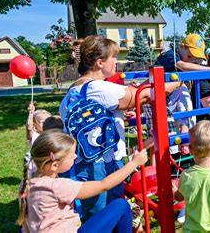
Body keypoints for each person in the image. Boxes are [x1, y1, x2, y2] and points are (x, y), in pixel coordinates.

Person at [59, 35, 178, 221]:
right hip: (102, 165)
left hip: (82, 163)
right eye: (113, 57)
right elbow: (142, 96)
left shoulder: (74, 89)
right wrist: (177, 82)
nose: (116, 61)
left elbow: (96, 113)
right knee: (103, 216)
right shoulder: (98, 88)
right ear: (99, 62)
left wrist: (117, 114)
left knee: (97, 215)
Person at [17, 130, 148, 232]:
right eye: (72, 155)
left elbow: (26, 224)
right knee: (121, 205)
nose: (75, 156)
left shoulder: (27, 183)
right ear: (55, 165)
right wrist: (133, 164)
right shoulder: (57, 186)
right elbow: (103, 185)